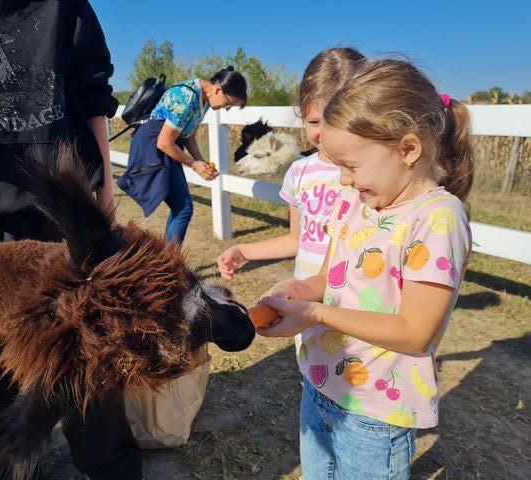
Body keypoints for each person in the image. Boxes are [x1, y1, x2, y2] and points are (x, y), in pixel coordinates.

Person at [0, 1, 142, 478]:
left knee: (87, 336)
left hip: (61, 195)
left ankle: (106, 462)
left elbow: (91, 92)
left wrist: (103, 191)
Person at [258, 59, 474, 479]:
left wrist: (316, 314)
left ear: (408, 149)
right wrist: (303, 291)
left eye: (351, 166)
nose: (341, 180)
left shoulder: (436, 218)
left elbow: (415, 331)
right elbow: (333, 277)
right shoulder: (357, 202)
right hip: (320, 386)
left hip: (375, 413)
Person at [217, 48, 366, 358]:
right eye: (314, 121)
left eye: (337, 120)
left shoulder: (368, 175)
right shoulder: (301, 173)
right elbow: (297, 239)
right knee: (312, 369)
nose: (324, 133)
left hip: (354, 305)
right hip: (304, 301)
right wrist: (244, 251)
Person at [118, 67, 247, 243]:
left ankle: (167, 261)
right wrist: (194, 164)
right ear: (218, 89)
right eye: (228, 104)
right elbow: (164, 142)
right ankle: (169, 263)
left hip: (166, 146)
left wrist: (201, 162)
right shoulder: (186, 98)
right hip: (154, 147)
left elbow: (189, 137)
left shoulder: (205, 100)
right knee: (183, 208)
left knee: (182, 207)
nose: (226, 108)